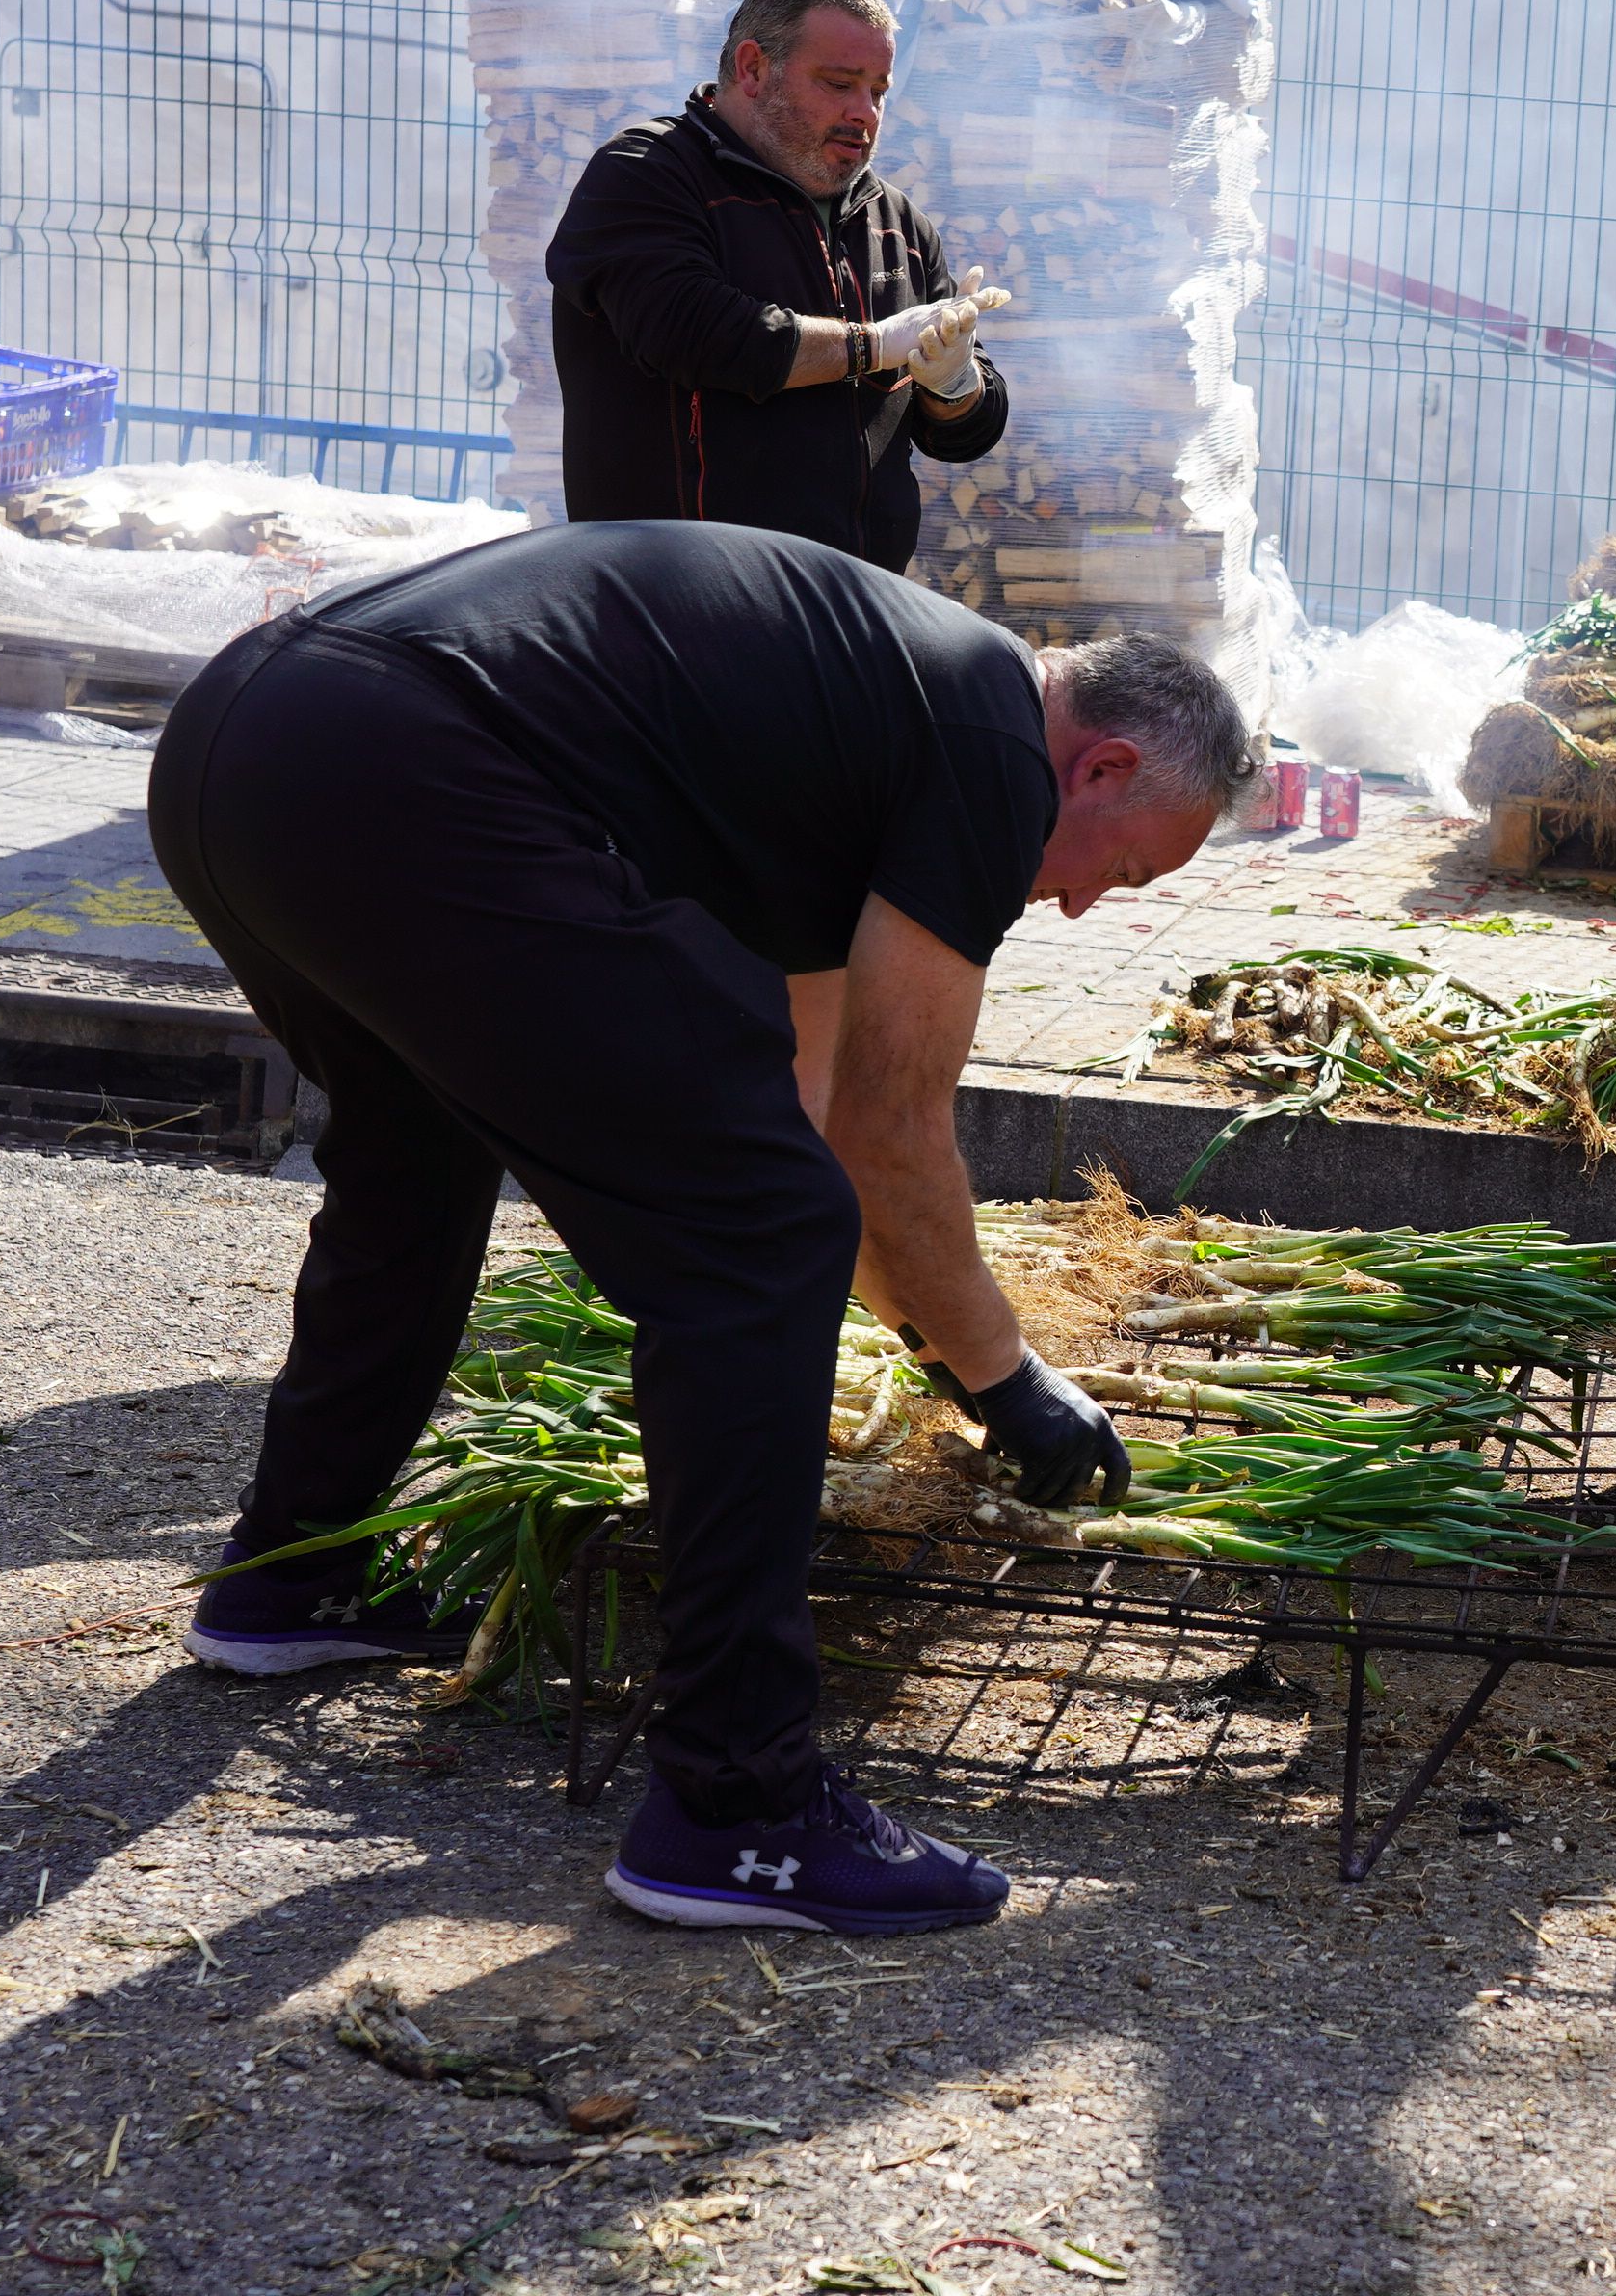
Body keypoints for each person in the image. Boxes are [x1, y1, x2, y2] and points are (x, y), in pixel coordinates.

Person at [149, 521, 1255, 1934]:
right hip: (405, 758)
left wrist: (917, 1319)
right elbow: (884, 1139)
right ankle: (739, 1811)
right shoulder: (986, 741)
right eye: (1125, 870)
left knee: (417, 1155)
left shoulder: (858, 714)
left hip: (246, 742)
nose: (1087, 902)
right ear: (1098, 766)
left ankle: (289, 1576)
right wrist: (1004, 1378)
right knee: (753, 1243)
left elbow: (811, 1111)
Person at [545, 0, 1008, 574]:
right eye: (839, 83)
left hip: (856, 610)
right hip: (675, 606)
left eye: (878, 90)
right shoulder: (645, 174)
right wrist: (873, 346)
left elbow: (961, 435)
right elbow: (698, 333)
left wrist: (955, 384)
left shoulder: (899, 224)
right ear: (753, 69)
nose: (866, 112)